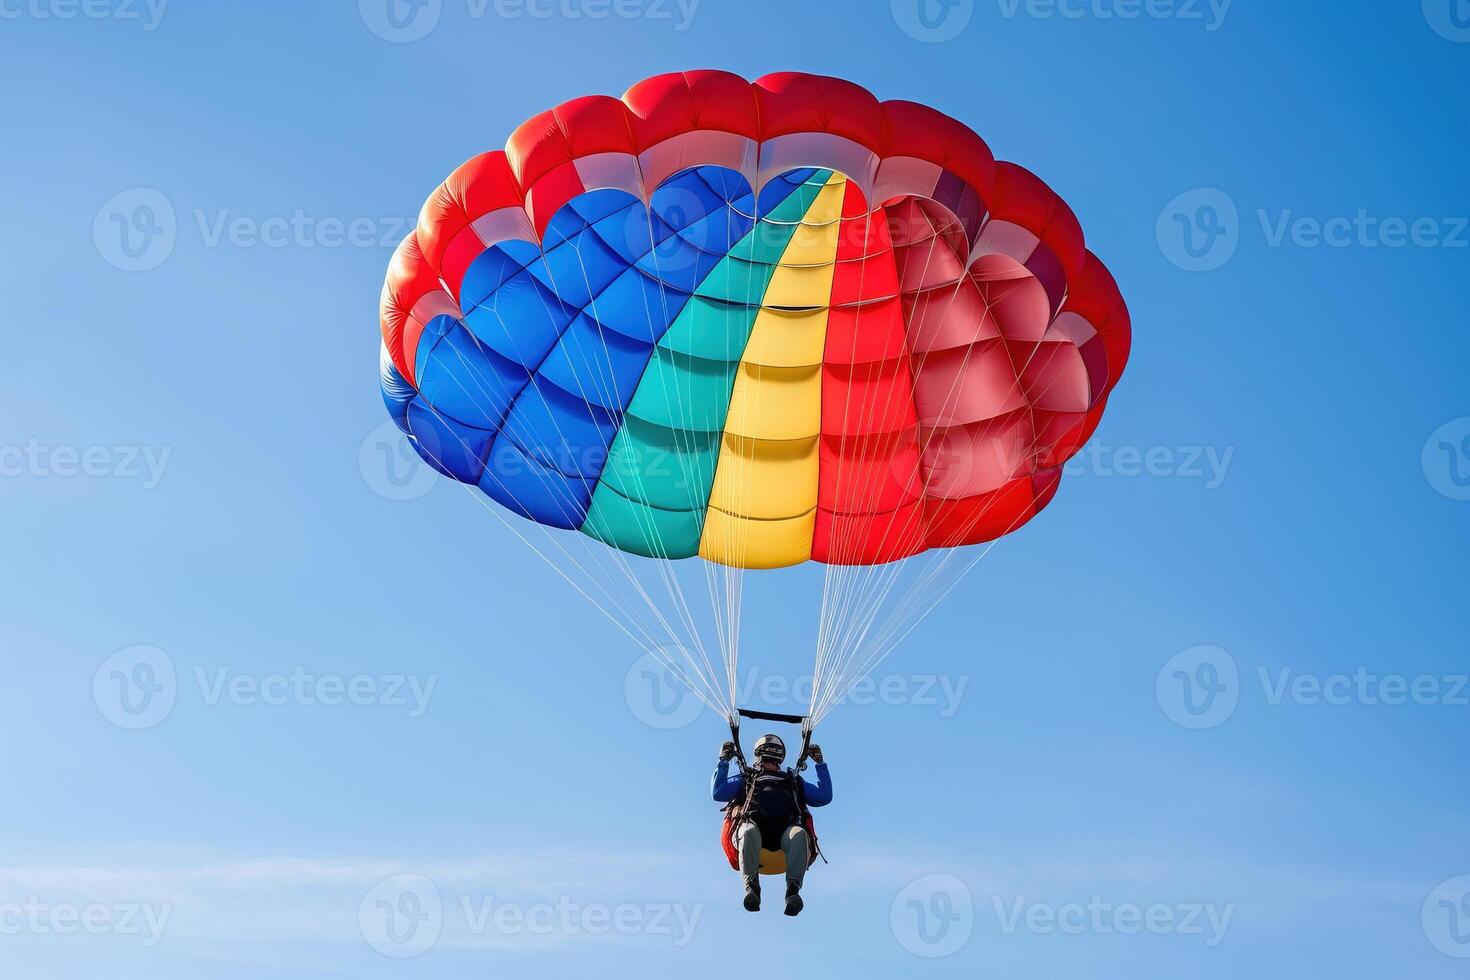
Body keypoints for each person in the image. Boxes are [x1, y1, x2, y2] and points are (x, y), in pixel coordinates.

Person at [712, 733, 832, 916]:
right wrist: (723, 761)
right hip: (754, 835)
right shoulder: (748, 778)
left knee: (799, 834)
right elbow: (719, 793)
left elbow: (824, 797)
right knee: (748, 831)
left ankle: (793, 892)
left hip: (786, 837)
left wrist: (820, 765)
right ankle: (752, 889)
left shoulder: (792, 781)